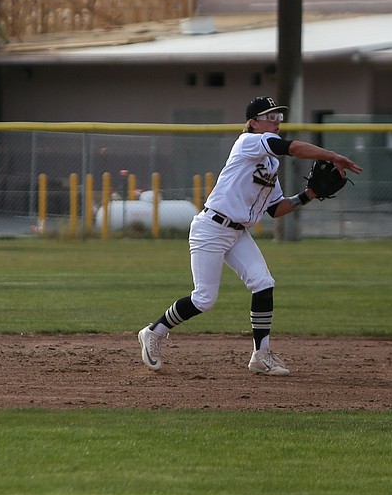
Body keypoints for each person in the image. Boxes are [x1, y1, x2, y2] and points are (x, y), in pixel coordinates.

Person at [137, 96, 363, 375]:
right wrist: (332, 156)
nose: (277, 122)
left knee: (263, 283)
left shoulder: (270, 164)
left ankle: (261, 355)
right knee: (204, 300)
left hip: (238, 233)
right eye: (271, 117)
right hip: (211, 228)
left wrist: (310, 194)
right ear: (254, 123)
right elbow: (291, 148)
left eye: (279, 118)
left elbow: (275, 209)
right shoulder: (248, 143)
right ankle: (154, 332)